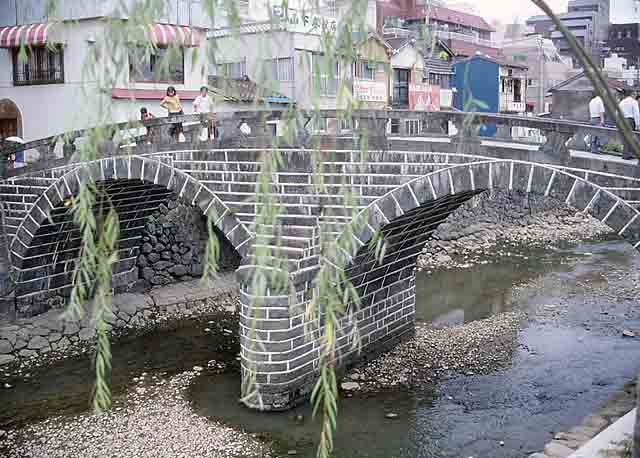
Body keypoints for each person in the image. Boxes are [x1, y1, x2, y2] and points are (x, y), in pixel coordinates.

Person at [619, 90, 640, 160]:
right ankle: (628, 154)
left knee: (625, 138)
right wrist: (638, 124)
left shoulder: (622, 101)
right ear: (632, 94)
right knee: (630, 138)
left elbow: (617, 112)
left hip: (622, 120)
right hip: (630, 121)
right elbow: (636, 114)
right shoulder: (634, 102)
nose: (636, 95)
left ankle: (625, 153)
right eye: (636, 94)